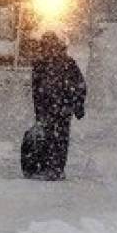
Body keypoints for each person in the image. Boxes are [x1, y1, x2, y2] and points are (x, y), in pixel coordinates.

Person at [28, 31, 86, 180]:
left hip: (57, 108)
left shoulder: (62, 63)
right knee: (56, 138)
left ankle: (54, 168)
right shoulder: (59, 63)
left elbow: (79, 85)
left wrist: (78, 105)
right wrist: (77, 105)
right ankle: (53, 168)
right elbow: (79, 85)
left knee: (57, 138)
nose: (48, 49)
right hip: (57, 108)